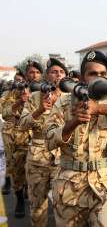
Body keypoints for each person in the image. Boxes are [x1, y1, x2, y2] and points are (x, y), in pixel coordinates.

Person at [44, 51, 107, 226]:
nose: (98, 78)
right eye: (93, 74)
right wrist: (73, 122)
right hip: (69, 187)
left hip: (106, 185)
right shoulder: (64, 102)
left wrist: (99, 109)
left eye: (103, 74)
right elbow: (49, 140)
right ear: (83, 77)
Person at [19, 58, 67, 227]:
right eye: (54, 71)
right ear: (47, 75)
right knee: (38, 207)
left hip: (63, 160)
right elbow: (22, 125)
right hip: (38, 159)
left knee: (63, 206)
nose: (58, 75)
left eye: (61, 72)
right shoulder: (35, 97)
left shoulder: (71, 99)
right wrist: (40, 109)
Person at [2, 60, 43, 217]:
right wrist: (20, 101)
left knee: (35, 173)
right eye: (31, 72)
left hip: (38, 140)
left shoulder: (45, 91)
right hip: (18, 138)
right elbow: (5, 114)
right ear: (26, 74)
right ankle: (19, 200)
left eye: (37, 72)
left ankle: (32, 196)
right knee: (18, 171)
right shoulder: (12, 92)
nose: (34, 75)